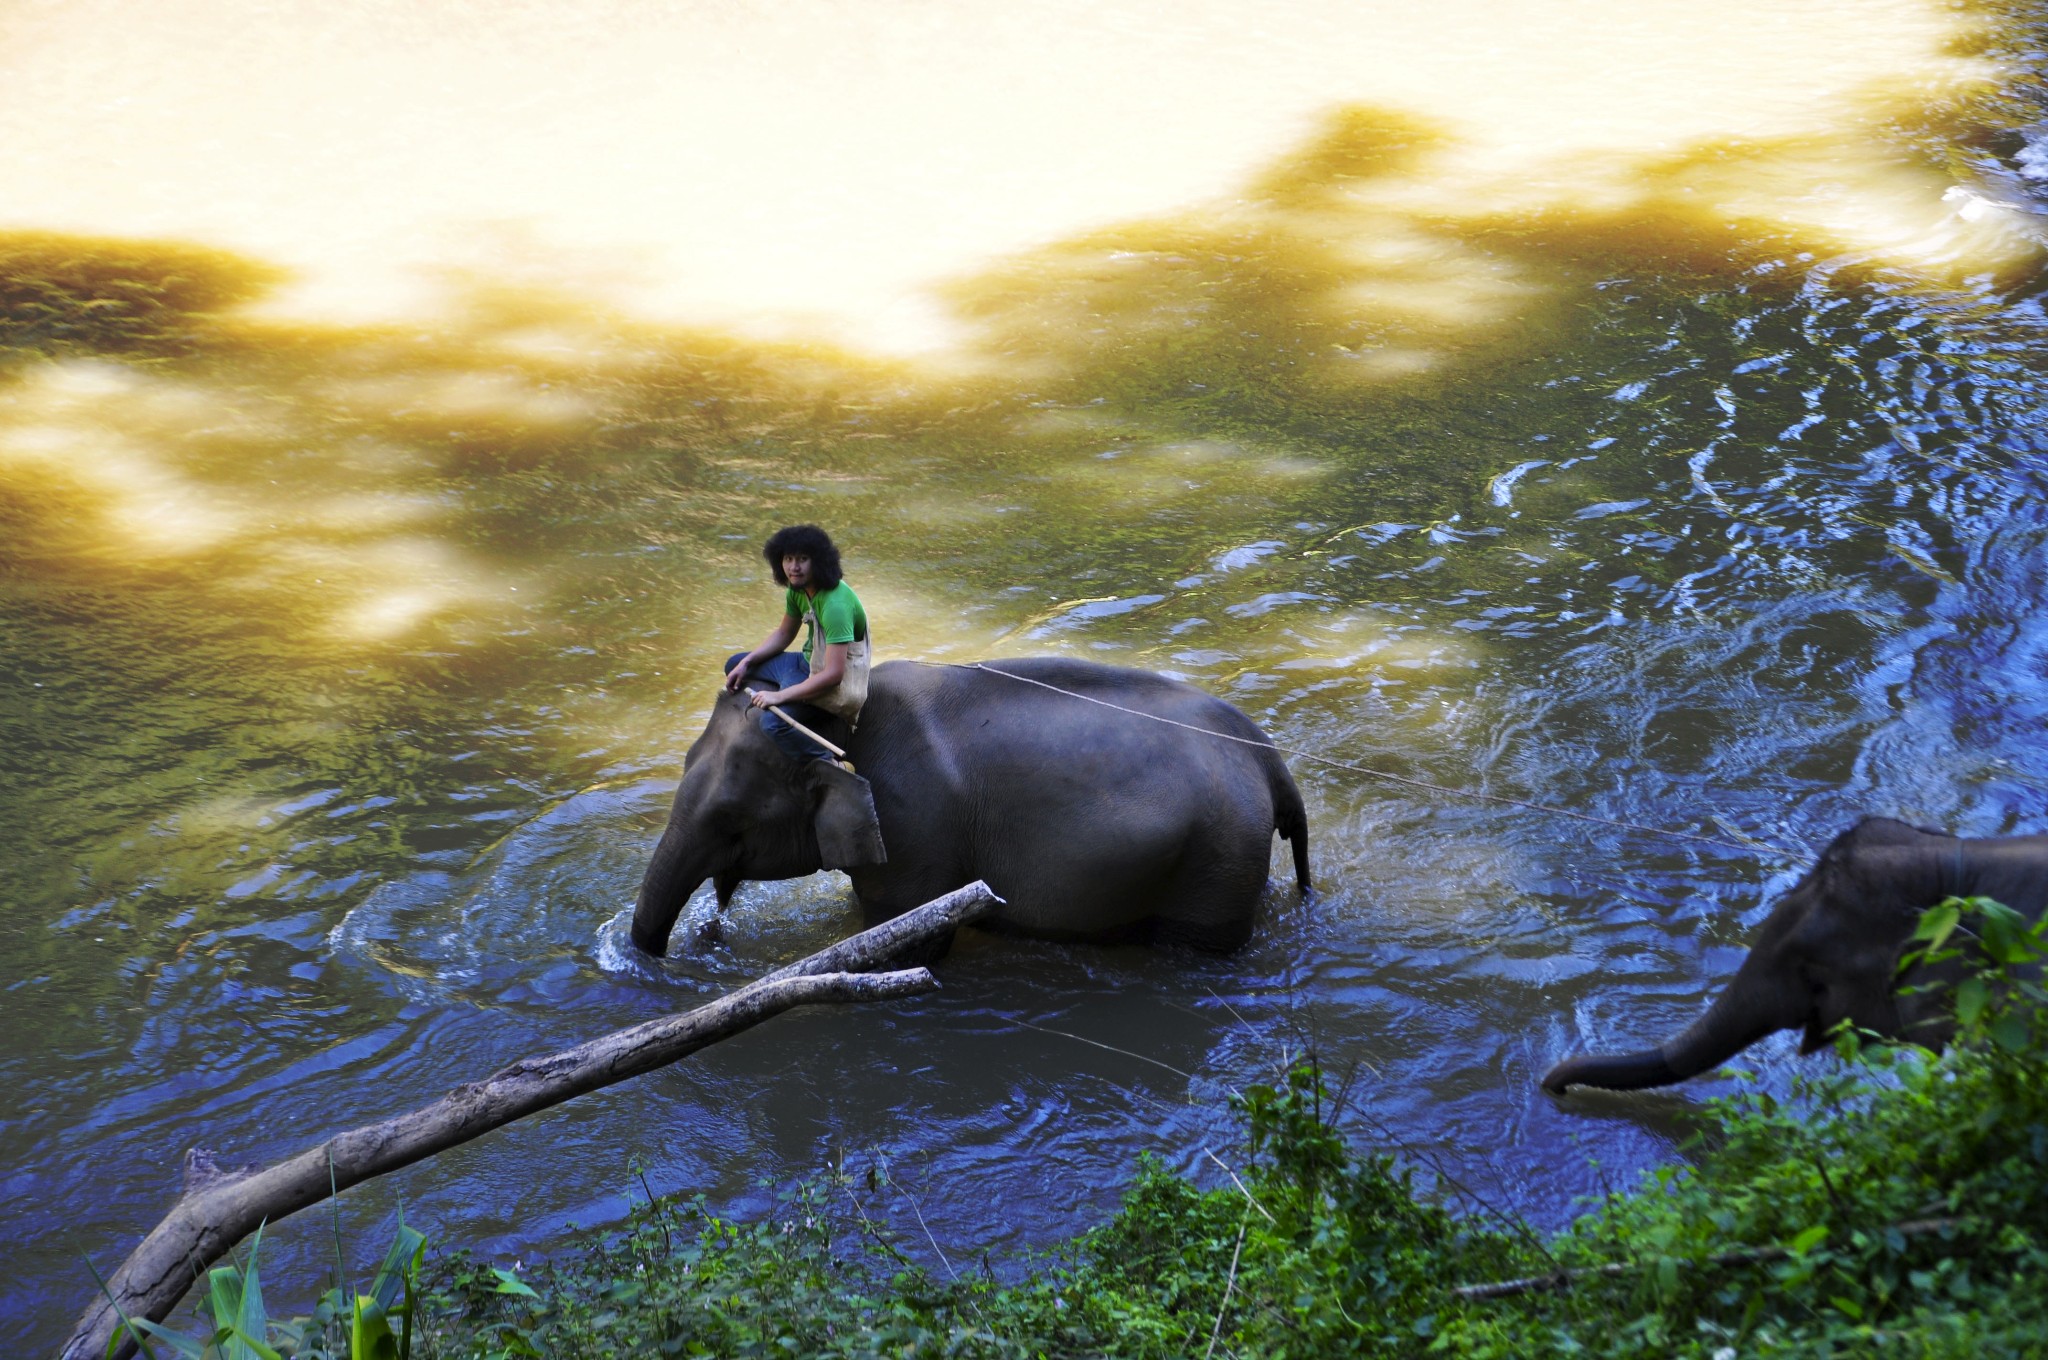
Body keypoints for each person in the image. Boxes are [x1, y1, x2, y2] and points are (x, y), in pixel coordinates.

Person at [722, 524, 871, 762]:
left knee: (773, 724)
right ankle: (787, 688)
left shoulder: (836, 605)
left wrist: (780, 697)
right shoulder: (798, 589)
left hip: (827, 680)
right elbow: (784, 634)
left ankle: (828, 763)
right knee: (735, 664)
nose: (794, 567)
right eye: (788, 558)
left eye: (803, 559)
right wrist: (748, 662)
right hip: (804, 662)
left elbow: (834, 674)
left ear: (819, 561)